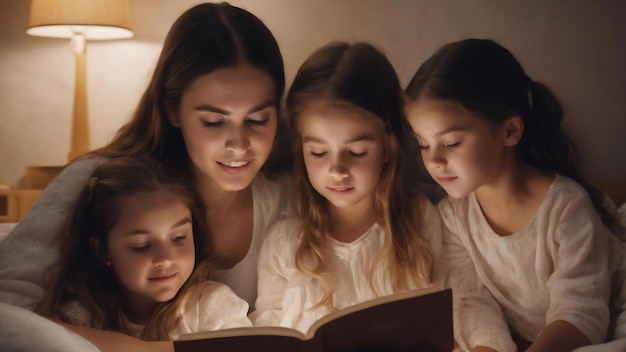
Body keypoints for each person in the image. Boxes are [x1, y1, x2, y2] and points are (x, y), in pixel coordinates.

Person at [0, 2, 290, 351]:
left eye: (258, 120)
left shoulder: (289, 201)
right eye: (214, 122)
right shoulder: (100, 181)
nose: (239, 145)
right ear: (172, 109)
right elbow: (8, 310)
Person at [404, 38, 618, 352]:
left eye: (451, 143)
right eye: (424, 145)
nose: (434, 160)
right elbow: (471, 301)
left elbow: (581, 311)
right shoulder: (451, 217)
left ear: (510, 132)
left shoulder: (565, 207)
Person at [250, 41, 445, 333]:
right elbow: (268, 331)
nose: (337, 170)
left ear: (388, 148)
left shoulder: (420, 221)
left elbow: (446, 316)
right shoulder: (283, 244)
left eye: (356, 152)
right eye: (318, 152)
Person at [37, 156, 252, 340]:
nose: (166, 259)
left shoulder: (212, 307)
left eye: (179, 238)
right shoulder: (81, 313)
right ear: (103, 250)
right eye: (141, 245)